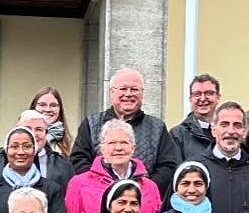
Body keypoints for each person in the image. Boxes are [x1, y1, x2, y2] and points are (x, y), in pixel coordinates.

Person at [65, 119, 164, 213]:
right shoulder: (79, 184)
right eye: (112, 143)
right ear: (102, 148)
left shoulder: (150, 187)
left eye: (124, 143)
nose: (118, 148)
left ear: (133, 148)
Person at [70, 67, 177, 195]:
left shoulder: (157, 127)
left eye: (134, 89)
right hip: (97, 198)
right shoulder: (91, 124)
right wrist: (102, 190)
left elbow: (167, 166)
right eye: (123, 89)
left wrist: (142, 191)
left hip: (143, 199)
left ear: (142, 93)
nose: (128, 94)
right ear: (111, 92)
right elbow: (79, 160)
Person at [0, 110, 74, 193]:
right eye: (27, 129)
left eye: (39, 129)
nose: (33, 134)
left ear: (46, 133)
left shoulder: (64, 166)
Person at [168, 73, 220, 164]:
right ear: (190, 99)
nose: (203, 99)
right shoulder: (178, 135)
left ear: (218, 97)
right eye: (197, 94)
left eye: (208, 93)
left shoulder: (229, 131)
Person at [29, 85, 74, 164]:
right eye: (42, 105)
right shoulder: (20, 137)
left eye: (53, 105)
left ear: (60, 109)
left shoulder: (71, 143)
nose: (48, 109)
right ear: (34, 107)